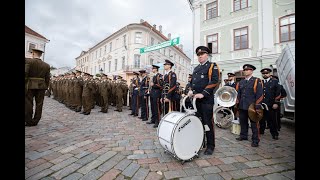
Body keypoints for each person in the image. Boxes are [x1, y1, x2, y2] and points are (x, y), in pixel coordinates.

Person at [190, 46, 220, 155]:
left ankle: (210, 145)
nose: (200, 56)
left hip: (206, 100)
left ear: (207, 55)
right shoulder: (196, 68)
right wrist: (191, 90)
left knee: (208, 122)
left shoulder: (212, 66)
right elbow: (193, 82)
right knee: (199, 122)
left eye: (202, 54)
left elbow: (215, 81)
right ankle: (201, 142)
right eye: (198, 55)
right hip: (196, 100)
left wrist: (203, 94)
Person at [235, 64, 263, 147]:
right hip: (242, 106)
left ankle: (255, 140)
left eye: (247, 70)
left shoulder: (256, 80)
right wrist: (237, 103)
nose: (245, 71)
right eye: (245, 70)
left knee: (254, 124)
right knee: (243, 122)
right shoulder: (241, 82)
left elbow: (260, 94)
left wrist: (257, 106)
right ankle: (243, 136)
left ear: (251, 71)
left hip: (252, 106)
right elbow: (238, 94)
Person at [25, 48, 51, 126]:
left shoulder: (28, 61)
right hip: (41, 86)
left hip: (30, 85)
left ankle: (29, 121)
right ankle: (36, 120)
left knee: (28, 103)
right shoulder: (46, 65)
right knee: (39, 104)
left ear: (33, 53)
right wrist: (46, 86)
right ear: (40, 55)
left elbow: (25, 74)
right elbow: (47, 78)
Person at [259, 68, 281, 139]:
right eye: (263, 73)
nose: (265, 74)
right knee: (261, 119)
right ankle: (261, 131)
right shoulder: (260, 82)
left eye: (266, 73)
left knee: (272, 120)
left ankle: (274, 133)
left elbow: (278, 93)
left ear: (269, 74)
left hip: (271, 105)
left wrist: (276, 103)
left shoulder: (274, 82)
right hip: (262, 104)